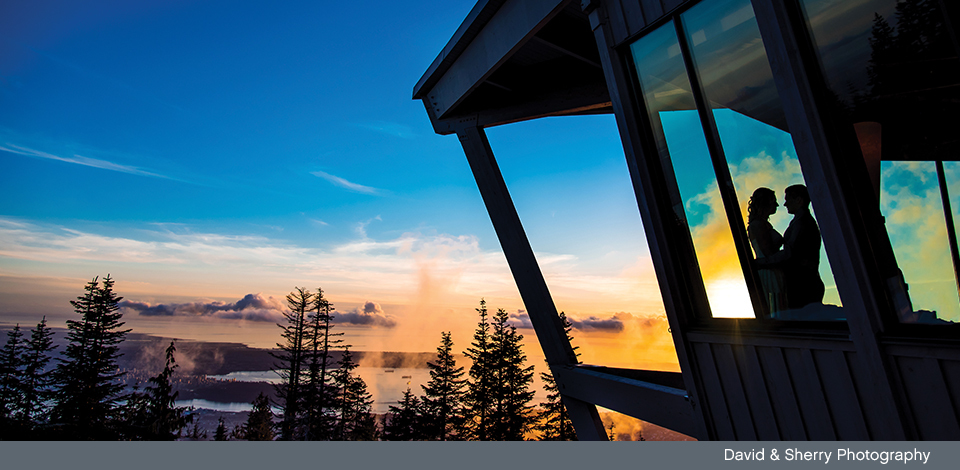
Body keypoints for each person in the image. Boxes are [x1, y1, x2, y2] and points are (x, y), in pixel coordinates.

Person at [759, 184, 825, 310]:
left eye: (787, 199)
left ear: (799, 200)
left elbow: (789, 253)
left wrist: (762, 262)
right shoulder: (800, 221)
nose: (784, 204)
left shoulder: (802, 223)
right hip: (802, 283)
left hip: (804, 284)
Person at [747, 187, 786, 317]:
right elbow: (769, 253)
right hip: (770, 273)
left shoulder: (762, 223)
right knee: (777, 309)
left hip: (772, 270)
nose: (776, 204)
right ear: (765, 202)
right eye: (773, 201)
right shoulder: (758, 225)